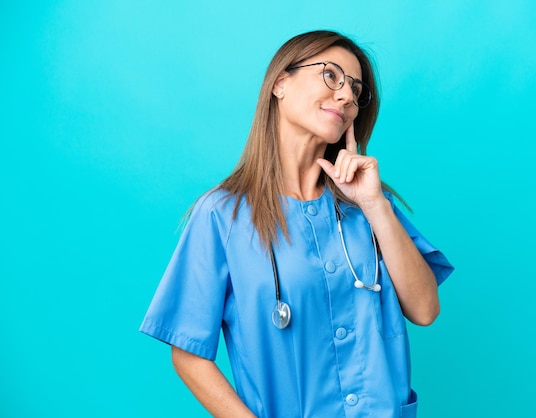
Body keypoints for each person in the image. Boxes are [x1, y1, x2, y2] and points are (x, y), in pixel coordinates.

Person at [140, 30, 454, 418]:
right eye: (331, 76)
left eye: (356, 91)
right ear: (280, 83)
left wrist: (374, 205)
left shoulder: (371, 203)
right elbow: (188, 353)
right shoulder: (222, 215)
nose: (346, 96)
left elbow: (425, 310)